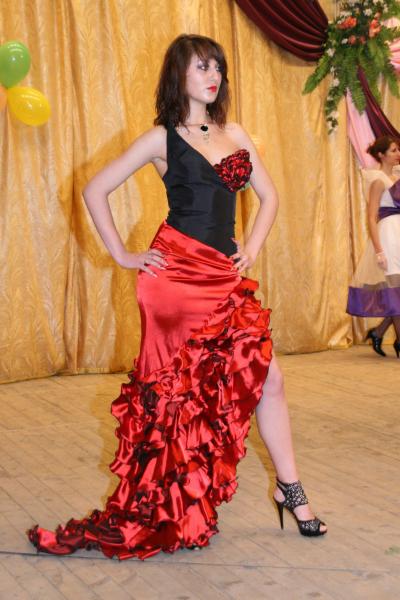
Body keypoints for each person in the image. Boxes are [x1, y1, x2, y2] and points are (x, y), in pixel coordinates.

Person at [28, 34, 326, 560]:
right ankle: (166, 504)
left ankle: (290, 488)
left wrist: (253, 247)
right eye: (201, 67)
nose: (212, 76)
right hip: (174, 279)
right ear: (178, 75)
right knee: (174, 396)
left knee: (268, 378)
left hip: (224, 277)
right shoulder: (160, 139)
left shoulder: (235, 133)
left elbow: (269, 196)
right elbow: (95, 189)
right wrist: (123, 255)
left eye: (217, 67)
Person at [347, 136, 400, 357]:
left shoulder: (396, 176)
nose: (398, 154)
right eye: (393, 150)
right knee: (395, 290)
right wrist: (378, 250)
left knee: (398, 292)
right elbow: (371, 217)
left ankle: (378, 332)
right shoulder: (378, 180)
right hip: (389, 235)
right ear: (381, 155)